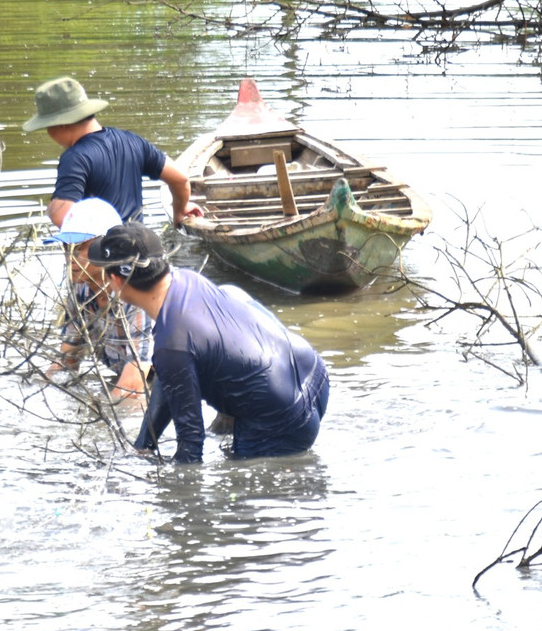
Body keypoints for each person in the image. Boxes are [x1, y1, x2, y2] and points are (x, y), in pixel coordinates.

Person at [87, 222, 329, 463]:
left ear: (115, 281)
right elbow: (168, 378)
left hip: (281, 420)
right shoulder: (187, 280)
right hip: (313, 374)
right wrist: (143, 447)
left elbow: (191, 448)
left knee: (236, 486)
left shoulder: (172, 343)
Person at [24, 76, 204, 228]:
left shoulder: (75, 158)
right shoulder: (133, 141)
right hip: (142, 249)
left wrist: (53, 208)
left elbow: (62, 215)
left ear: (61, 123)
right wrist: (180, 211)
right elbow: (180, 179)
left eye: (46, 126)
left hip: (102, 258)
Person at [43, 197, 151, 400]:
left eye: (79, 249)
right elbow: (67, 359)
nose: (70, 259)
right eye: (67, 249)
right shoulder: (81, 291)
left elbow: (134, 385)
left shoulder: (134, 292)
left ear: (106, 249)